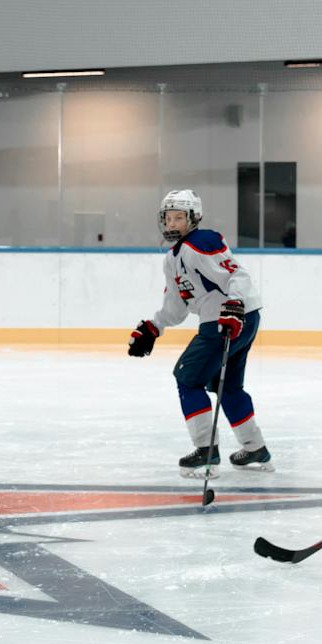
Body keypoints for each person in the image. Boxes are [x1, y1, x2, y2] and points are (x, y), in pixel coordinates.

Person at [127, 189, 273, 476]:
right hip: (234, 317)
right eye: (168, 218)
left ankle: (207, 451)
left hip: (227, 319)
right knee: (227, 387)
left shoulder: (201, 241)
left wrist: (234, 305)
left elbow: (237, 275)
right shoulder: (173, 257)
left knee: (187, 378)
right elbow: (177, 305)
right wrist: (155, 326)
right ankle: (255, 448)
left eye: (179, 217)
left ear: (193, 218)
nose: (172, 224)